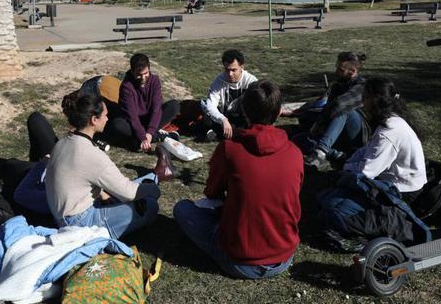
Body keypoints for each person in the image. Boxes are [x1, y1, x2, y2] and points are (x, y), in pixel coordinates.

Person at [174, 81, 302, 279]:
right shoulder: (295, 153)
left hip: (239, 259)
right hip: (284, 256)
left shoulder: (230, 149)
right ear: (278, 113)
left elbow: (212, 192)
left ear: (244, 111)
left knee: (182, 208)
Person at [316, 78, 428, 248]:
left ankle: (375, 229)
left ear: (376, 101)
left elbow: (366, 172)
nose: (362, 101)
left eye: (366, 97)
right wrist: (348, 162)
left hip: (403, 190)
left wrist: (346, 167)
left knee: (333, 209)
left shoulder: (389, 132)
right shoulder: (387, 121)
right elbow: (366, 151)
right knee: (324, 198)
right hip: (387, 180)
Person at [45, 90, 161, 239]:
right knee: (150, 205)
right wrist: (154, 190)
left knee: (137, 186)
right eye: (105, 115)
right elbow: (128, 192)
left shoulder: (64, 141)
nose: (107, 118)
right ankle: (156, 179)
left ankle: (155, 176)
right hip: (78, 222)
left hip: (61, 213)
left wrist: (103, 194)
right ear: (94, 120)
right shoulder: (92, 155)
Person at [290, 52, 368, 169]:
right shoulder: (337, 86)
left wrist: (319, 123)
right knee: (298, 139)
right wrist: (299, 113)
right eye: (337, 67)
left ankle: (320, 152)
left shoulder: (362, 86)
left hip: (356, 134)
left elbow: (339, 105)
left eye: (340, 70)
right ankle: (337, 155)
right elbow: (324, 107)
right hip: (336, 133)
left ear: (353, 71)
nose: (336, 72)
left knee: (343, 110)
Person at [106, 53, 181, 151]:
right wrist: (142, 136)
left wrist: (149, 133)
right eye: (139, 75)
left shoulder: (155, 81)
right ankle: (155, 136)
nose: (143, 78)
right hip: (132, 122)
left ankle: (141, 140)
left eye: (146, 73)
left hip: (149, 119)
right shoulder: (126, 86)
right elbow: (131, 115)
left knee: (173, 106)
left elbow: (156, 108)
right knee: (118, 124)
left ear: (149, 68)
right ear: (132, 71)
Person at [200, 49, 258, 140]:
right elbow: (211, 105)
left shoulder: (251, 81)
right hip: (226, 117)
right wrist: (223, 119)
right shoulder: (219, 81)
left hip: (245, 118)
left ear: (242, 67)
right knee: (208, 116)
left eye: (234, 70)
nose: (230, 74)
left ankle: (217, 133)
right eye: (227, 70)